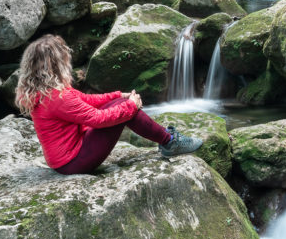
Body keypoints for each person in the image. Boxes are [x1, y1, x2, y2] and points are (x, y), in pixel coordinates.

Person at [15, 35, 202, 174]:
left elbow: (86, 100)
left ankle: (168, 140)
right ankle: (170, 142)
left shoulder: (45, 91)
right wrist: (131, 106)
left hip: (63, 158)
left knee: (121, 105)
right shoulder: (56, 98)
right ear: (56, 65)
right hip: (71, 162)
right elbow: (97, 119)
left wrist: (119, 95)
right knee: (125, 112)